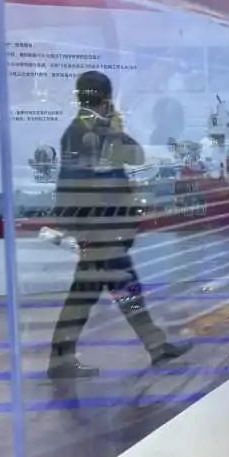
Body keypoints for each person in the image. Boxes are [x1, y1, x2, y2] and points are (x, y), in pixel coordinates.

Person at [49, 71, 190, 379]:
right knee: (97, 293)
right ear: (105, 99)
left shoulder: (85, 131)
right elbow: (131, 157)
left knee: (112, 291)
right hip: (101, 230)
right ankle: (62, 358)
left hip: (103, 229)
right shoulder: (89, 132)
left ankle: (154, 346)